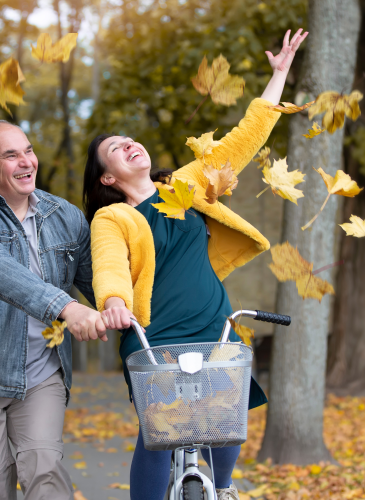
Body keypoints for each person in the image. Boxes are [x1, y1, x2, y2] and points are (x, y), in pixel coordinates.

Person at [83, 29, 308, 500]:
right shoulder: (113, 216)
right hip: (153, 334)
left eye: (130, 140)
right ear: (108, 177)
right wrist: (114, 302)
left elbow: (243, 140)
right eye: (115, 150)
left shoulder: (183, 187)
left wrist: (280, 75)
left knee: (227, 421)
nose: (129, 146)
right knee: (159, 433)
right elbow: (108, 266)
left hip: (214, 322)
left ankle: (223, 490)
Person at [0, 119, 107, 499]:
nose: (26, 161)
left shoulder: (65, 215)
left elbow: (102, 282)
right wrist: (66, 308)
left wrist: (125, 306)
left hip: (41, 374)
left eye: (28, 150)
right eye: (10, 155)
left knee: (46, 473)